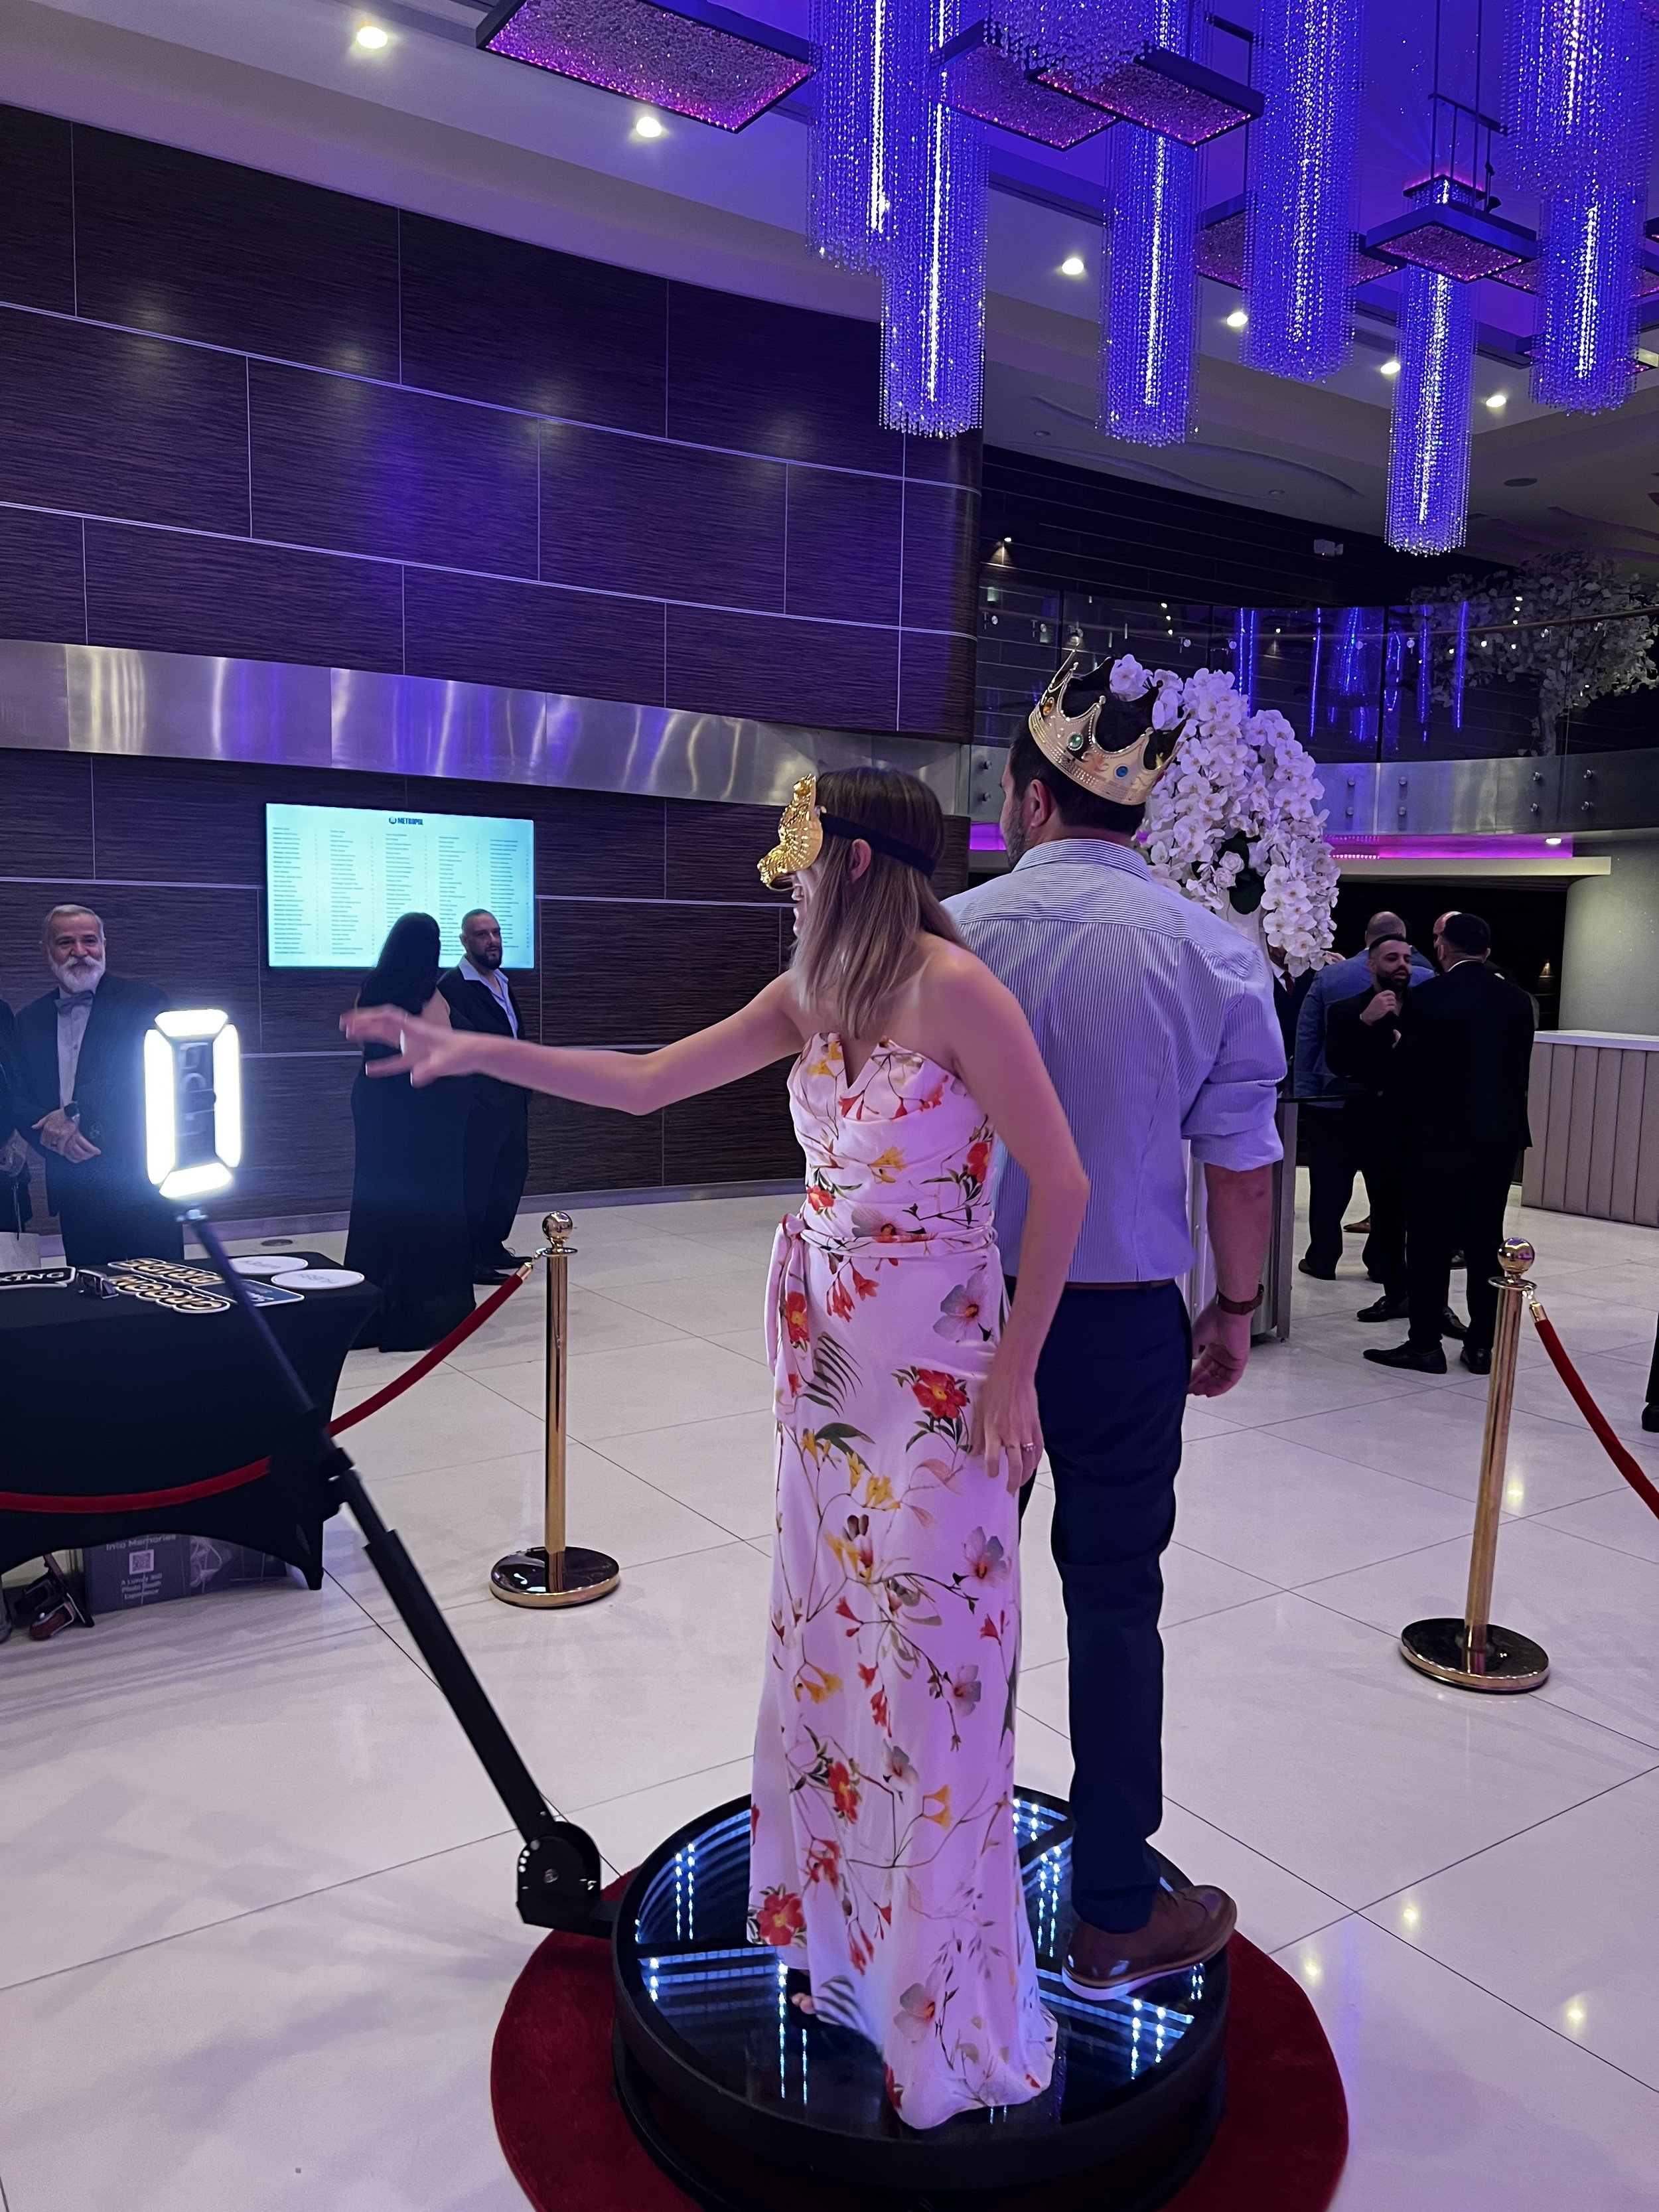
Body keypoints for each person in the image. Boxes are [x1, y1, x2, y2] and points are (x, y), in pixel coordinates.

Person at [344, 768, 1090, 2131]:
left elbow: (1065, 1180)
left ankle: (934, 1988)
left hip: (940, 1381)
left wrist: (1017, 1371)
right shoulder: (813, 992)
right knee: (827, 1647)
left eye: (804, 864)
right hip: (825, 1375)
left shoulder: (956, 990)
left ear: (859, 863)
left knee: (928, 1669)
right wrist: (476, 1051)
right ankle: (840, 1952)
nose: (789, 885)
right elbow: (642, 1083)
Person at [946, 652, 1282, 2006]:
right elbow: (1241, 1163)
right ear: (1142, 817)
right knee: (1114, 1599)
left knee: (950, 1592)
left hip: (961, 1321)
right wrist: (1236, 1304)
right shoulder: (1212, 949)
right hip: (1125, 1319)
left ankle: (931, 1883)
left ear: (1027, 798)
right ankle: (1106, 1910)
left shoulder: (953, 933)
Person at [1365, 911, 1535, 1376]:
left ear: (1442, 948)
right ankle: (1482, 1345)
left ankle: (1425, 1343)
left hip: (1441, 1136)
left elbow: (1409, 1073)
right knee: (1485, 1239)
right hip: (1501, 1137)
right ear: (1487, 950)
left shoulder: (1431, 997)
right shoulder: (1518, 1001)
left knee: (1429, 1239)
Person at [13, 907, 182, 1267]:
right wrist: (50, 1136)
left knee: (162, 1300)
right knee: (93, 1304)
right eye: (65, 942)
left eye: (89, 941)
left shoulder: (144, 1002)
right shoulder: (28, 1020)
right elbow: (18, 1097)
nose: (80, 951)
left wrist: (74, 1114)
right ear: (46, 950)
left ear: (104, 944)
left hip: (142, 1184)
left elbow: (142, 1077)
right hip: (75, 1188)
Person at [344, 913, 475, 1353]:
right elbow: (442, 1052)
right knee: (428, 1206)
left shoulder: (372, 988)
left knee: (377, 1200)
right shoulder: (429, 995)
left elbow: (365, 1045)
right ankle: (422, 1308)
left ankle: (371, 1307)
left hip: (376, 1104)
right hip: (424, 1112)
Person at [1293, 911, 1433, 1279]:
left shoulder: (1328, 976)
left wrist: (1306, 1091)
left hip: (1330, 1100)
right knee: (1388, 1187)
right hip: (1391, 1104)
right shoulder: (1427, 980)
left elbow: (1308, 1038)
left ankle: (1323, 1257)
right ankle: (1381, 1262)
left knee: (1328, 1186)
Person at [439, 909, 532, 1282]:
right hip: (479, 1104)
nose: (492, 941)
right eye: (482, 935)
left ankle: (493, 1244)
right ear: (465, 941)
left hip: (513, 1101)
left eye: (495, 933)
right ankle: (470, 1256)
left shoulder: (503, 982)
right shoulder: (452, 986)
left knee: (509, 1175)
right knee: (475, 1180)